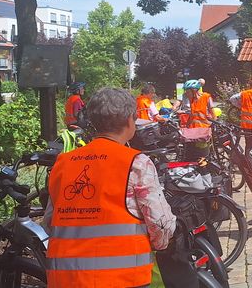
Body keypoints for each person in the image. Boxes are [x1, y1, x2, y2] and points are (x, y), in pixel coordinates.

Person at [44, 88, 176, 287]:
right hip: (123, 278)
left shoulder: (62, 163)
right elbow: (160, 225)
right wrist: (162, 244)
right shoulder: (136, 162)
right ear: (129, 121)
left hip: (66, 278)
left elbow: (49, 223)